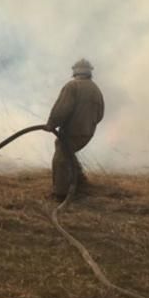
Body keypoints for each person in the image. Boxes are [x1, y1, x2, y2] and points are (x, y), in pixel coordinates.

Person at [46, 58, 104, 200]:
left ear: (75, 72)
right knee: (68, 152)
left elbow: (62, 109)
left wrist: (51, 124)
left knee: (61, 158)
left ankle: (61, 194)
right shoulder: (95, 89)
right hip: (87, 132)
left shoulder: (72, 86)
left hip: (72, 131)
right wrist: (88, 124)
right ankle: (80, 182)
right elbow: (100, 114)